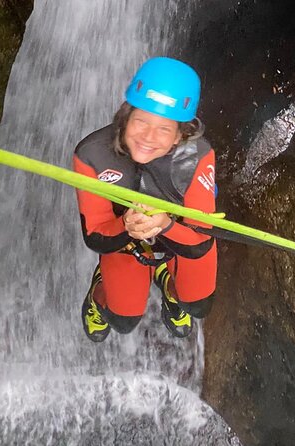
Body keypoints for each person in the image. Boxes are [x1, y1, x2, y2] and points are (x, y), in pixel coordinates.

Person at [73, 57, 217, 342]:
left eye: (164, 128)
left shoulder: (197, 158)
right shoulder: (92, 155)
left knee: (198, 304)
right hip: (121, 234)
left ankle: (168, 282)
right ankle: (98, 294)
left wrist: (164, 226)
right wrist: (126, 226)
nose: (148, 137)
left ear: (179, 136)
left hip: (178, 232)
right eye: (141, 121)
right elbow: (95, 234)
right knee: (122, 320)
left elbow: (201, 239)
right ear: (125, 118)